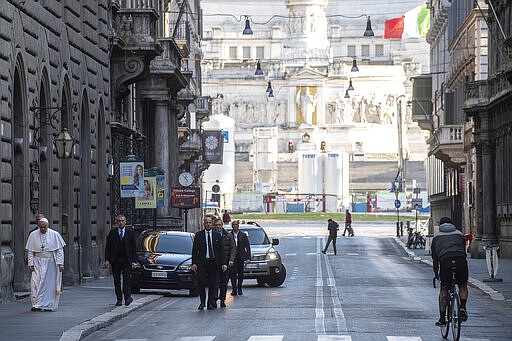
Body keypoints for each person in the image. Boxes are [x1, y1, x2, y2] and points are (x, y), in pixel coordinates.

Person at [431, 217, 469, 326]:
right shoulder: (460, 234)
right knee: (463, 285)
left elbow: (435, 258)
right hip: (460, 261)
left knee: (444, 289)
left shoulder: (436, 237)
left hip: (445, 263)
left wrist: (436, 273)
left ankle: (442, 318)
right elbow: (464, 251)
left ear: (440, 226)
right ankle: (462, 306)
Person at [25, 217, 66, 311]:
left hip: (50, 263)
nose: (43, 229)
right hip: (37, 261)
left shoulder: (54, 234)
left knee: (48, 284)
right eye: (41, 227)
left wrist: (60, 263)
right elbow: (30, 251)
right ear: (38, 226)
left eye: (45, 227)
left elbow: (59, 250)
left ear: (48, 226)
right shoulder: (33, 235)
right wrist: (30, 263)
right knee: (35, 282)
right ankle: (36, 304)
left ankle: (48, 305)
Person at [191, 216, 227, 310]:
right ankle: (202, 302)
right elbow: (195, 251)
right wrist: (194, 263)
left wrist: (223, 263)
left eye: (210, 223)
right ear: (204, 224)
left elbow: (221, 250)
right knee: (201, 282)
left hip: (213, 262)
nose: (208, 224)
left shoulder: (217, 235)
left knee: (213, 283)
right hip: (202, 262)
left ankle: (210, 302)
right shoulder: (199, 235)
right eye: (206, 223)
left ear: (212, 224)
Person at [104, 214, 137, 306]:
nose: (121, 222)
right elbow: (108, 247)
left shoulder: (130, 233)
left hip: (127, 260)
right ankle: (119, 299)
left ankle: (127, 298)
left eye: (122, 221)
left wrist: (134, 261)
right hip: (115, 260)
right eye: (119, 221)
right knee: (117, 281)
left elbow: (134, 248)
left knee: (127, 280)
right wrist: (107, 260)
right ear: (116, 222)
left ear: (125, 222)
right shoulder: (112, 233)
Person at [214, 218, 236, 307]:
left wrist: (231, 260)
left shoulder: (228, 235)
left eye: (219, 225)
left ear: (222, 225)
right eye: (216, 225)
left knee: (223, 283)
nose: (218, 227)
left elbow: (233, 248)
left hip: (225, 263)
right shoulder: (212, 235)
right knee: (214, 282)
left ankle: (222, 300)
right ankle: (214, 299)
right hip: (215, 263)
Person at [230, 220, 251, 295]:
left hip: (241, 257)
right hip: (232, 258)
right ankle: (234, 289)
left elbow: (247, 246)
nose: (235, 226)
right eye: (234, 225)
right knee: (232, 273)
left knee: (240, 273)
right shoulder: (229, 235)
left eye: (236, 225)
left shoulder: (243, 235)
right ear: (232, 226)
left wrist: (248, 257)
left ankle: (239, 288)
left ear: (238, 226)